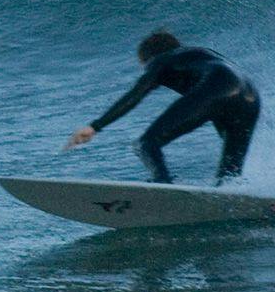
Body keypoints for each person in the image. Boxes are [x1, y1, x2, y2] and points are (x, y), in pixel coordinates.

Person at [64, 29, 260, 185]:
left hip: (218, 86)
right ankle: (238, 199)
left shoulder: (160, 60)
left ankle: (162, 182)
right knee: (228, 176)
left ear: (149, 58)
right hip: (249, 96)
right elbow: (220, 103)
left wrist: (95, 126)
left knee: (146, 144)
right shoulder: (197, 57)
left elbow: (136, 94)